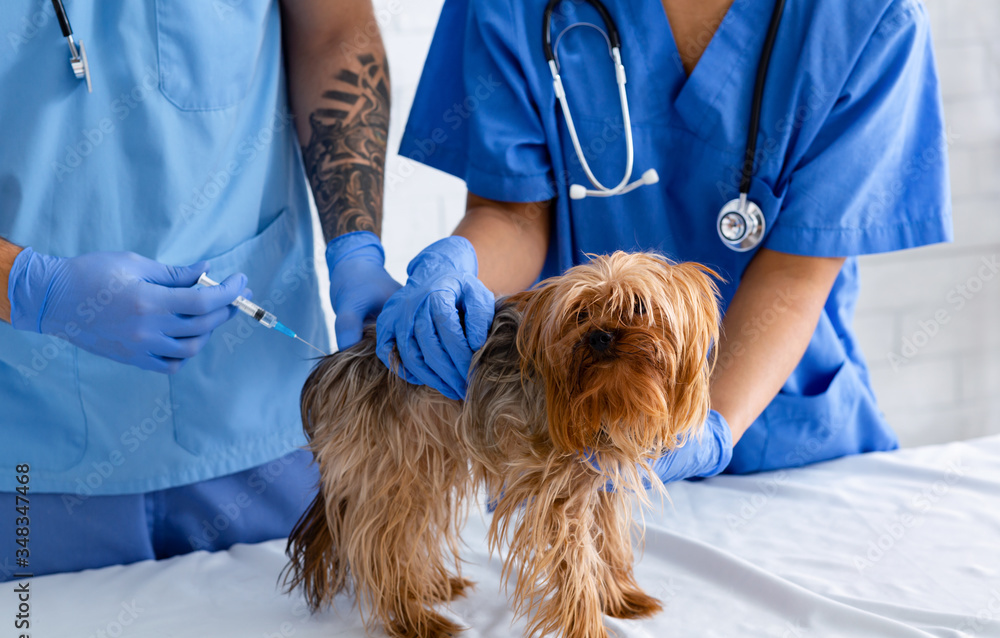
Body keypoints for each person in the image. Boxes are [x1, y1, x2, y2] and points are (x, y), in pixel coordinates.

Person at [377, 0, 952, 480]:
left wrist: (713, 426)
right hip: (575, 430)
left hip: (779, 443)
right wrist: (457, 267)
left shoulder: (865, 17)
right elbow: (514, 213)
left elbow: (796, 271)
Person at [0, 0, 397, 579]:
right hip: (28, 452)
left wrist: (356, 244)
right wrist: (30, 288)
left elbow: (334, 32)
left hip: (262, 426)